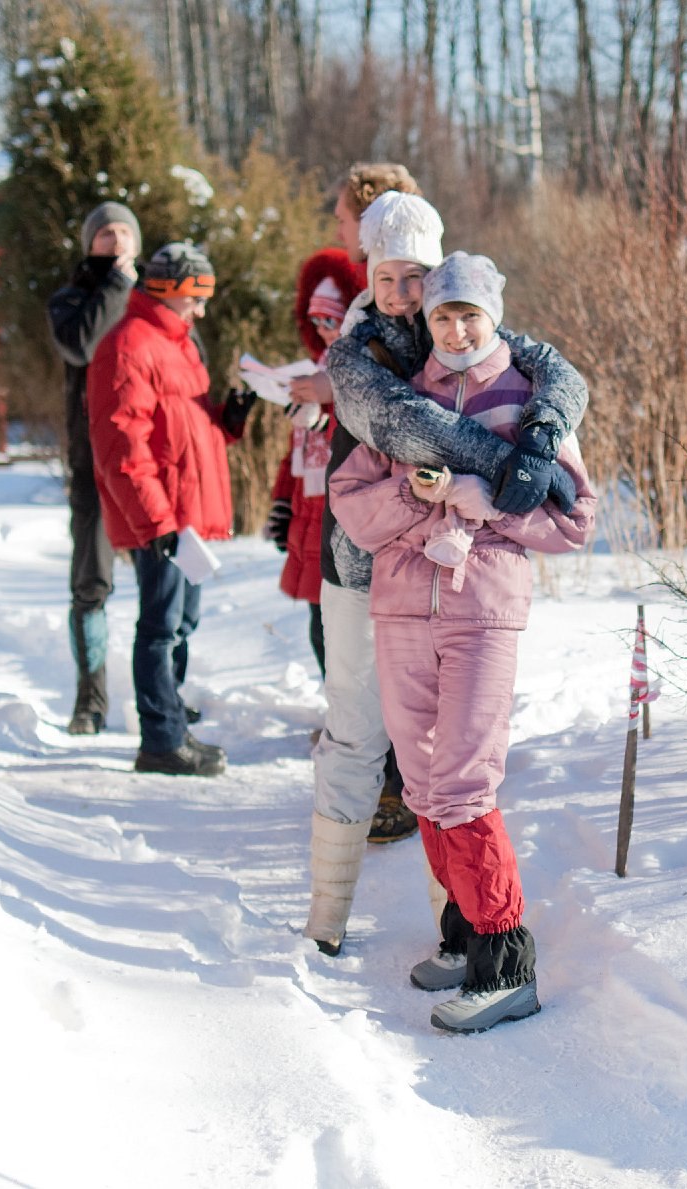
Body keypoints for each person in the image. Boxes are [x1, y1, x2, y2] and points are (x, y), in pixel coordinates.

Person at [304, 190, 589, 959]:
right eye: (389, 277)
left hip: (456, 592)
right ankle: (326, 921)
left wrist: (548, 419)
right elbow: (412, 431)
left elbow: (554, 372)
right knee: (359, 737)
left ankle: (466, 930)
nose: (402, 293)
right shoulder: (360, 353)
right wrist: (510, 467)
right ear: (370, 275)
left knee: (442, 770)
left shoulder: (470, 338)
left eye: (416, 278)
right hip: (363, 570)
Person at [290, 163, 425, 844]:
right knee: (353, 686)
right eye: (385, 276)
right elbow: (369, 405)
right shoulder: (357, 331)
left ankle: (396, 790)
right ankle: (331, 891)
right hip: (356, 526)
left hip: (409, 535)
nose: (339, 232)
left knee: (402, 679)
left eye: (345, 218)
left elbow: (406, 421)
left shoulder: (445, 324)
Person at [86, 242, 252, 776]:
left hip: (187, 517)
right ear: (168, 292)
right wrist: (155, 522)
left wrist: (230, 416)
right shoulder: (128, 345)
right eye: (195, 298)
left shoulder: (178, 344)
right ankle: (159, 740)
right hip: (161, 520)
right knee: (160, 627)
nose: (202, 310)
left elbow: (188, 428)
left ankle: (174, 724)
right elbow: (121, 448)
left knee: (181, 623)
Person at [48, 201, 141, 735]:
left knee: (163, 584)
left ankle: (162, 696)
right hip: (92, 464)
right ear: (90, 244)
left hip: (145, 461)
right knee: (91, 583)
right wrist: (117, 286)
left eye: (124, 231)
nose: (116, 239)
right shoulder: (72, 298)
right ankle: (91, 702)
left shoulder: (151, 298)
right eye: (105, 233)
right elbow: (82, 343)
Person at [264, 248, 362, 676]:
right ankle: (338, 714)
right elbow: (295, 449)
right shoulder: (315, 367)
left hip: (338, 509)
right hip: (308, 507)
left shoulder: (357, 366)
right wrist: (281, 502)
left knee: (341, 628)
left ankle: (351, 724)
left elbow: (360, 433)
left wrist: (322, 417)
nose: (324, 330)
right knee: (318, 625)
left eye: (332, 320)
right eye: (316, 321)